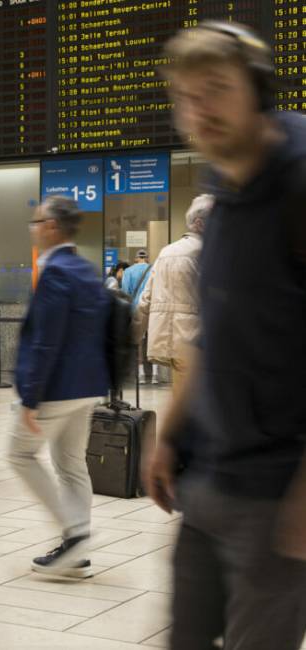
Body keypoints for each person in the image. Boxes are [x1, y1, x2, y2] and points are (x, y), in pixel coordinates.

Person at [146, 22, 306, 650]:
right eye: (185, 96)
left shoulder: (298, 183)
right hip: (209, 477)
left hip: (277, 495)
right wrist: (169, 435)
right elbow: (214, 332)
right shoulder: (221, 189)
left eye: (215, 89)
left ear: (257, 90)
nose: (199, 110)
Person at [9, 195, 110, 578]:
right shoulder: (85, 269)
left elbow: (46, 340)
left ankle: (76, 532)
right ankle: (75, 553)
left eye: (36, 223)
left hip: (58, 388)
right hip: (88, 385)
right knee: (71, 464)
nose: (33, 230)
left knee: (19, 454)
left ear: (51, 227)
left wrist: (30, 397)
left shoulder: (54, 272)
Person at [134, 194, 213, 397]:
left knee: (181, 397)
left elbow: (146, 299)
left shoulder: (166, 252)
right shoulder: (205, 252)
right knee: (197, 403)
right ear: (200, 223)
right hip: (196, 341)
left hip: (171, 343)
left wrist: (133, 336)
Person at [122, 249, 156, 383]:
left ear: (136, 258)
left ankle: (137, 374)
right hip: (152, 309)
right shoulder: (154, 269)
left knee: (135, 341)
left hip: (135, 309)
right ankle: (152, 375)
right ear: (147, 258)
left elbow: (125, 292)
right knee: (150, 341)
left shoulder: (128, 271)